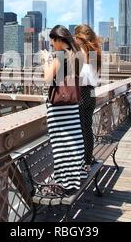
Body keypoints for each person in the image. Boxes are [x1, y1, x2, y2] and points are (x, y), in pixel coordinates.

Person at [41, 25, 87, 192]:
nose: (52, 45)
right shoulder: (78, 55)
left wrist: (46, 59)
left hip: (58, 108)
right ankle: (75, 175)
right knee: (73, 140)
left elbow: (47, 79)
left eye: (53, 41)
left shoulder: (60, 55)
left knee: (60, 145)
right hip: (72, 106)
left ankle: (64, 181)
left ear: (59, 40)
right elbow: (67, 78)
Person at [74, 24, 101, 172]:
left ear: (79, 38)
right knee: (87, 128)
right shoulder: (95, 53)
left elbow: (78, 77)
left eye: (75, 37)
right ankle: (88, 161)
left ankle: (83, 163)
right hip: (92, 93)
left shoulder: (79, 53)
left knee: (80, 130)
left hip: (82, 92)